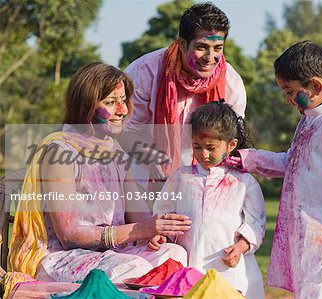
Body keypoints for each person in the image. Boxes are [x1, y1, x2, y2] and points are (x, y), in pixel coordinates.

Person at [8, 62, 191, 285]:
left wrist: (156, 230)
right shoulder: (58, 151)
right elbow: (68, 235)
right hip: (63, 259)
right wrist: (139, 230)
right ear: (86, 106)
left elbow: (140, 216)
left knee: (173, 254)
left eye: (123, 101)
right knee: (135, 268)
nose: (123, 110)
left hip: (110, 257)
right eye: (111, 102)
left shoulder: (117, 153)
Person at [230, 41, 322, 298]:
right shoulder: (307, 122)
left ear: (316, 86)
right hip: (301, 237)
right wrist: (249, 159)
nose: (288, 100)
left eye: (290, 92)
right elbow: (291, 164)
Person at [120, 2, 246, 194]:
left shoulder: (231, 82)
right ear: (182, 44)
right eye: (202, 47)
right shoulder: (144, 73)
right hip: (143, 180)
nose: (210, 57)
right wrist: (151, 158)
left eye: (217, 48)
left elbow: (232, 140)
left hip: (205, 186)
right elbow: (121, 132)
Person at [149, 101, 266, 299]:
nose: (204, 154)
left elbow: (256, 223)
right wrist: (162, 236)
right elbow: (163, 212)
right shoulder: (180, 177)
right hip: (188, 264)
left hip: (229, 266)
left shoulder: (244, 182)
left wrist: (240, 247)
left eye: (211, 147)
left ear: (231, 145)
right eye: (197, 146)